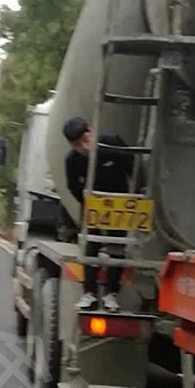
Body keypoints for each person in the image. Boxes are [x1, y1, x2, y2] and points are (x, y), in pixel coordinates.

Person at [63, 116, 133, 313]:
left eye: (86, 140)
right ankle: (89, 293)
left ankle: (111, 294)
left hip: (120, 205)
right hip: (94, 206)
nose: (84, 147)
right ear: (72, 145)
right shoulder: (72, 160)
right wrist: (87, 204)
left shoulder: (112, 143)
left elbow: (133, 166)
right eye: (78, 145)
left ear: (92, 131)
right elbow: (72, 186)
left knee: (118, 248)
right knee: (90, 246)